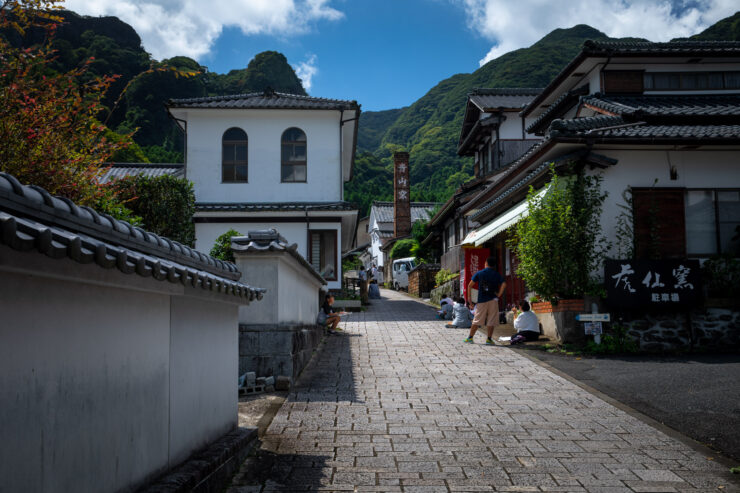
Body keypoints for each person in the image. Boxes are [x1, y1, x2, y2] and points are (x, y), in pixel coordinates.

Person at [465, 256, 506, 345]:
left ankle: (470, 338)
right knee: (491, 319)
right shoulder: (496, 274)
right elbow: (504, 284)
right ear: (494, 265)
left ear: (486, 263)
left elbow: (469, 285)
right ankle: (489, 339)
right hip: (493, 299)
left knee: (477, 319)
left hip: (482, 299)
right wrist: (499, 294)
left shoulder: (480, 273)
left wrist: (469, 299)